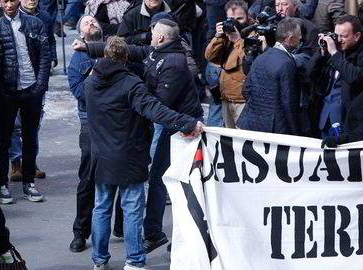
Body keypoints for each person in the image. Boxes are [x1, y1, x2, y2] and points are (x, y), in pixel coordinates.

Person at [78, 18, 204, 254]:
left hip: (178, 129)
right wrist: (88, 46)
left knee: (171, 183)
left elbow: (157, 108)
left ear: (160, 38)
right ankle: (137, 255)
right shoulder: (144, 68)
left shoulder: (92, 82)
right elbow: (138, 54)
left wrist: (186, 122)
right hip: (153, 137)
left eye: (152, 31)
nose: (149, 33)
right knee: (138, 199)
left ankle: (103, 257)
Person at [68, 14, 124, 253]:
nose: (91, 23)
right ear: (81, 35)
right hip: (91, 124)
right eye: (85, 23)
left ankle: (121, 226)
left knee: (124, 175)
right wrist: (96, 72)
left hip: (118, 121)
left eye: (93, 21)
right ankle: (81, 232)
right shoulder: (77, 59)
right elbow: (80, 92)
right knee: (88, 179)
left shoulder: (116, 51)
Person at [0, 0, 51, 203]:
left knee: (30, 137)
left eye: (12, 0)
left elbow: (45, 55)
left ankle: (28, 183)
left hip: (31, 88)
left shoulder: (35, 23)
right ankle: (1, 184)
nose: (9, 4)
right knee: (4, 139)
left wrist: (40, 85)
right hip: (7, 92)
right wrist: (0, 92)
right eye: (4, 0)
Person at [8, 0, 58, 181]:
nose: (31, 1)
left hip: (37, 78)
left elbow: (51, 41)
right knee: (14, 125)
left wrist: (52, 59)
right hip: (14, 80)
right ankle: (15, 162)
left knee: (33, 125)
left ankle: (31, 161)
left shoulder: (44, 17)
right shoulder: (10, 15)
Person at [237, 17, 302, 135]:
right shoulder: (287, 63)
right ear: (291, 39)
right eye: (299, 36)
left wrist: (259, 109)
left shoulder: (261, 57)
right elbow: (289, 103)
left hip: (252, 123)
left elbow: (246, 89)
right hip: (275, 129)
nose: (301, 39)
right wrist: (296, 133)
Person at [205, 0, 261, 128]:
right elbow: (209, 56)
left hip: (243, 101)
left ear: (248, 17)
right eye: (231, 19)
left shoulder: (255, 35)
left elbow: (249, 61)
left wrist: (238, 41)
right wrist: (218, 36)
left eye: (240, 18)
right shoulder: (226, 36)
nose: (235, 22)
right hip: (226, 98)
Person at [307, 15, 363, 138]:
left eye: (344, 36)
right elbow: (309, 73)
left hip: (347, 122)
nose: (339, 40)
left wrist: (334, 53)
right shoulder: (332, 51)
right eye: (336, 35)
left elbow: (355, 77)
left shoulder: (358, 54)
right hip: (324, 118)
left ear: (357, 36)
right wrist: (321, 52)